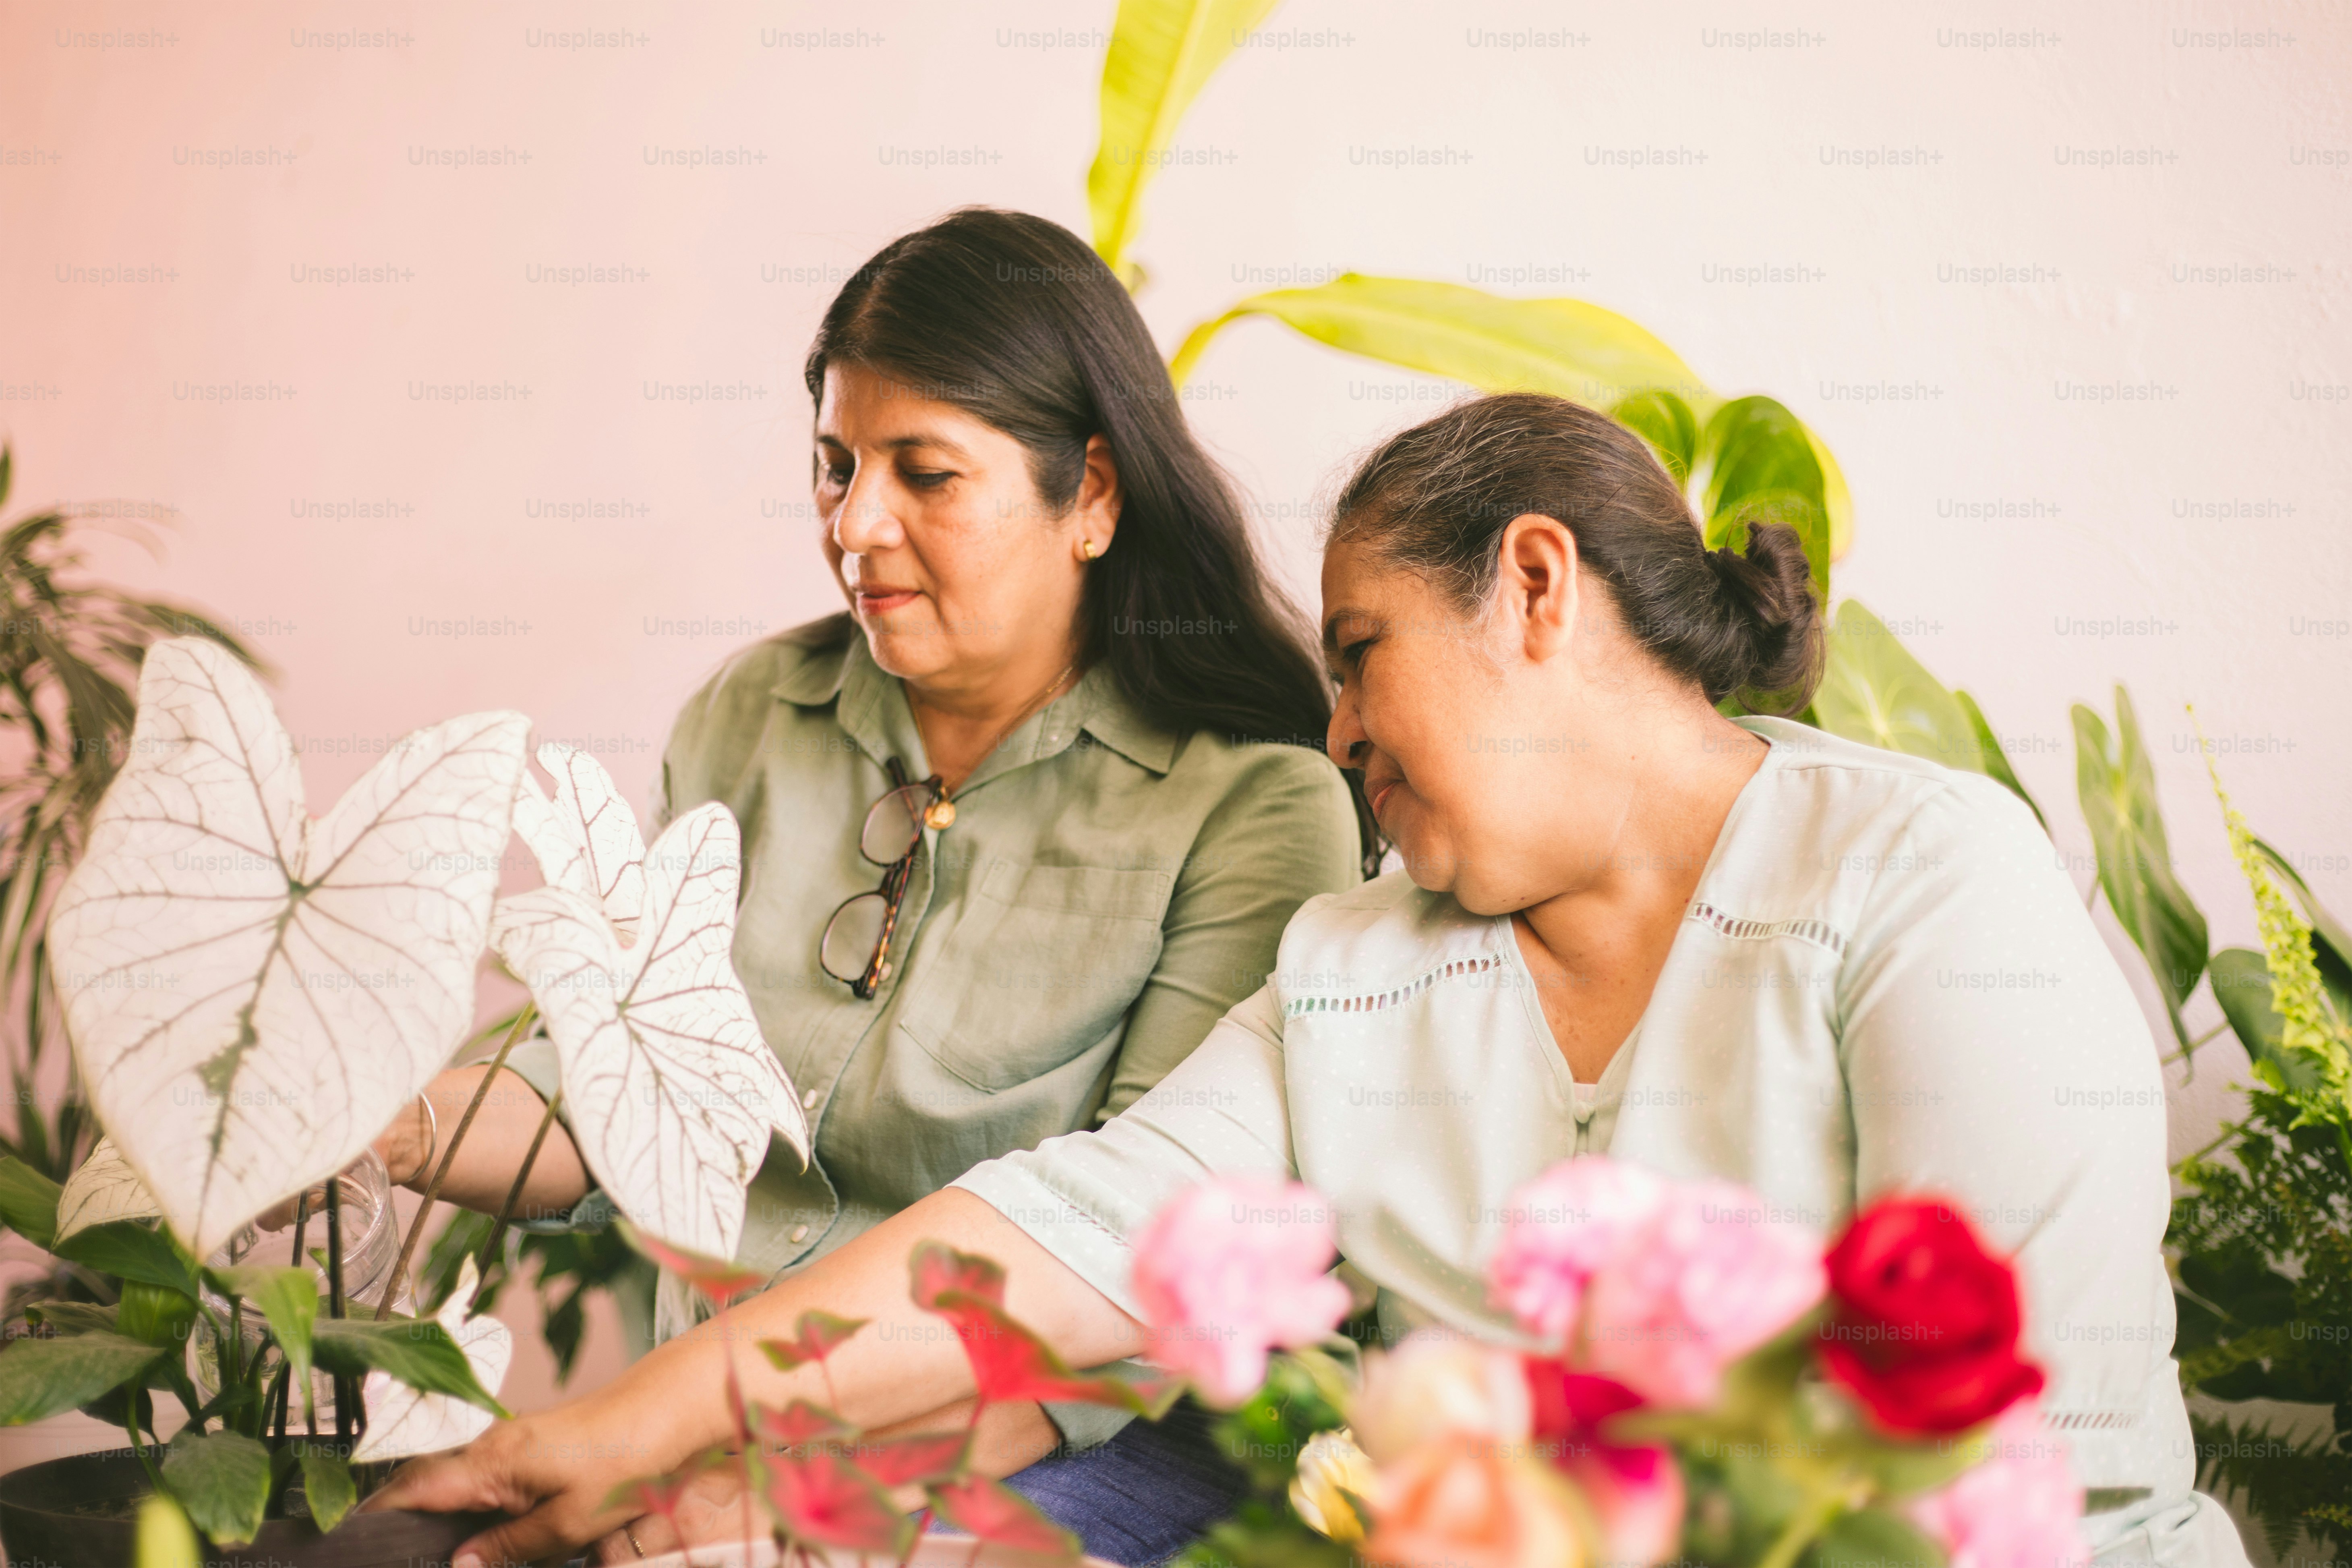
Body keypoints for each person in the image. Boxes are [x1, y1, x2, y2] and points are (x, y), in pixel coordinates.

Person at [375, 394, 2246, 1567]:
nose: (1332, 728)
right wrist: (610, 1430)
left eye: (1357, 656)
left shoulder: (1922, 885)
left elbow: (2010, 1472)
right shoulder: (1366, 957)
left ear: (1534, 587)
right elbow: (1048, 1239)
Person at [364, 207, 1366, 1555]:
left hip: (1060, 1439)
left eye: (925, 473)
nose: (856, 522)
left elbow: (1146, 1276)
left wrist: (805, 1488)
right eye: (835, 465)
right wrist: (358, 1128)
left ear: (1098, 496)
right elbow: (610, 1093)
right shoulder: (755, 716)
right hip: (701, 1420)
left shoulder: (1249, 803)